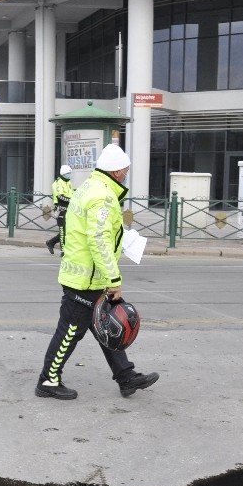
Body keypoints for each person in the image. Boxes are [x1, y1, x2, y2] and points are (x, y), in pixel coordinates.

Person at [35, 143, 159, 401]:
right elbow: (98, 240)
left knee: (104, 325)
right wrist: (114, 279)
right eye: (124, 170)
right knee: (70, 331)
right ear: (115, 172)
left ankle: (126, 376)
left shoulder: (89, 187)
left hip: (86, 274)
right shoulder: (103, 196)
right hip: (84, 279)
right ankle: (48, 380)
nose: (126, 174)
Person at [45, 164, 74, 255]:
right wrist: (72, 200)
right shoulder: (57, 183)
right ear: (64, 173)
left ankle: (51, 242)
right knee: (62, 230)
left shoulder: (68, 182)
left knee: (67, 230)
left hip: (69, 209)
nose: (69, 175)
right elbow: (60, 196)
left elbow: (71, 194)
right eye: (68, 173)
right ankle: (63, 250)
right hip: (61, 209)